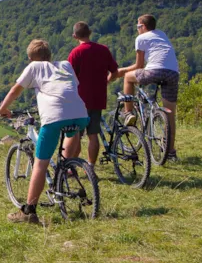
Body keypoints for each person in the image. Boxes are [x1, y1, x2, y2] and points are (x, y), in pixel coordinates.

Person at [0, 39, 89, 224]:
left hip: (54, 117)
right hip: (81, 115)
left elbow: (15, 90)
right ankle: (65, 168)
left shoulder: (34, 67)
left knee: (40, 164)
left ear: (31, 58)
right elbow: (72, 87)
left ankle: (28, 211)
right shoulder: (66, 65)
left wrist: (3, 109)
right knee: (72, 133)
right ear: (49, 55)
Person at [110, 14, 179, 161]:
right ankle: (171, 152)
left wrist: (121, 72)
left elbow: (139, 65)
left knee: (128, 78)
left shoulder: (141, 38)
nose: (137, 29)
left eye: (138, 26)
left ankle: (128, 113)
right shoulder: (162, 34)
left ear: (143, 27)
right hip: (173, 73)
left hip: (154, 71)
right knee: (170, 115)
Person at [63, 22, 119, 166]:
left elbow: (68, 77)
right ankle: (91, 166)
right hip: (97, 98)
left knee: (76, 134)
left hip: (79, 100)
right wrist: (107, 81)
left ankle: (71, 166)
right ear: (90, 32)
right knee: (93, 135)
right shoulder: (103, 49)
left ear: (74, 36)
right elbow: (115, 71)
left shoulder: (76, 53)